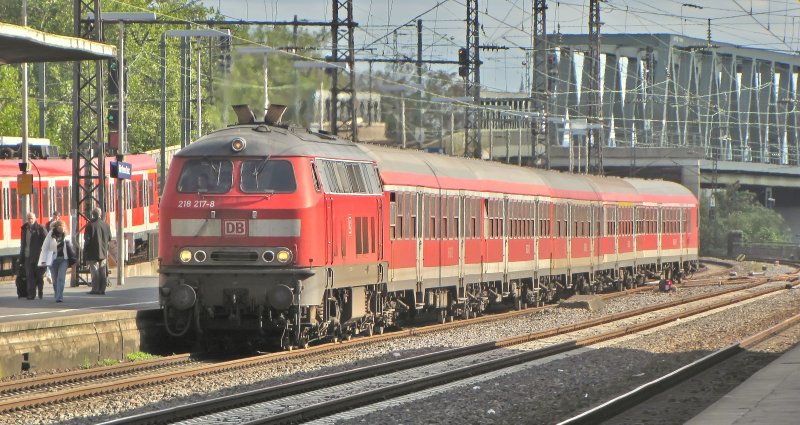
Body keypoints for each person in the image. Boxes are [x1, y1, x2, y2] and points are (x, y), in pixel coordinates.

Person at [38, 220, 75, 303]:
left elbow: (70, 246)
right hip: (53, 260)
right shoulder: (50, 235)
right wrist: (43, 260)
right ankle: (57, 292)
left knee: (61, 278)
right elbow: (44, 247)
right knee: (55, 280)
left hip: (64, 260)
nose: (62, 229)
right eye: (61, 228)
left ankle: (59, 296)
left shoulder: (66, 234)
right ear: (57, 227)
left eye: (64, 228)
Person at [19, 212, 47, 300]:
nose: (30, 220)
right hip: (27, 256)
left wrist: (44, 254)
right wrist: (21, 257)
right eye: (28, 218)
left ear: (35, 219)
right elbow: (23, 243)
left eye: (31, 218)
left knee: (39, 276)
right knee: (29, 275)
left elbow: (46, 242)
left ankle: (40, 291)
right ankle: (31, 294)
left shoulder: (40, 228)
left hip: (38, 257)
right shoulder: (24, 229)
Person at [84, 208, 112, 295]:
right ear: (100, 215)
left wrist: (85, 250)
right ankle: (102, 289)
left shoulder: (89, 226)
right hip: (103, 252)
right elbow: (110, 238)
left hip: (92, 252)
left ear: (92, 215)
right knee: (102, 271)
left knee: (94, 271)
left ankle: (95, 289)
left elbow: (87, 239)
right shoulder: (106, 225)